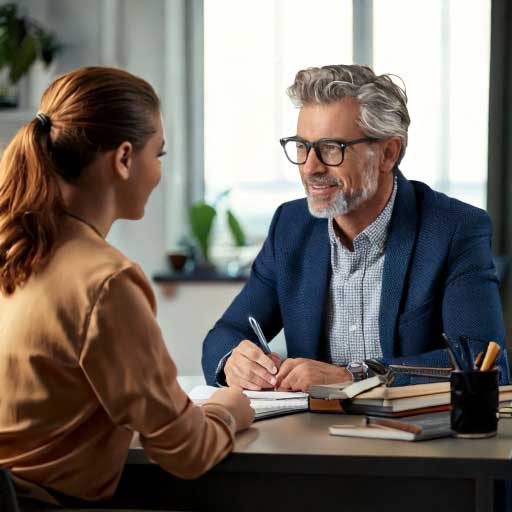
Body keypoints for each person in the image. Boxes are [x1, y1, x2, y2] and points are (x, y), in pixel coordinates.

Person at [0, 66, 254, 507]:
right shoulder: (105, 282)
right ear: (122, 159)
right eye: (159, 154)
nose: (157, 172)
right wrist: (228, 410)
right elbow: (187, 451)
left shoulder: (16, 250)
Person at [202, 64, 509, 391]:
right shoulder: (290, 227)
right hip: (309, 437)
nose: (310, 167)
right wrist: (234, 361)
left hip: (414, 437)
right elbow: (224, 335)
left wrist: (356, 377)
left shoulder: (454, 229)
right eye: (302, 146)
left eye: (332, 148)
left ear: (388, 153)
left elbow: (483, 363)